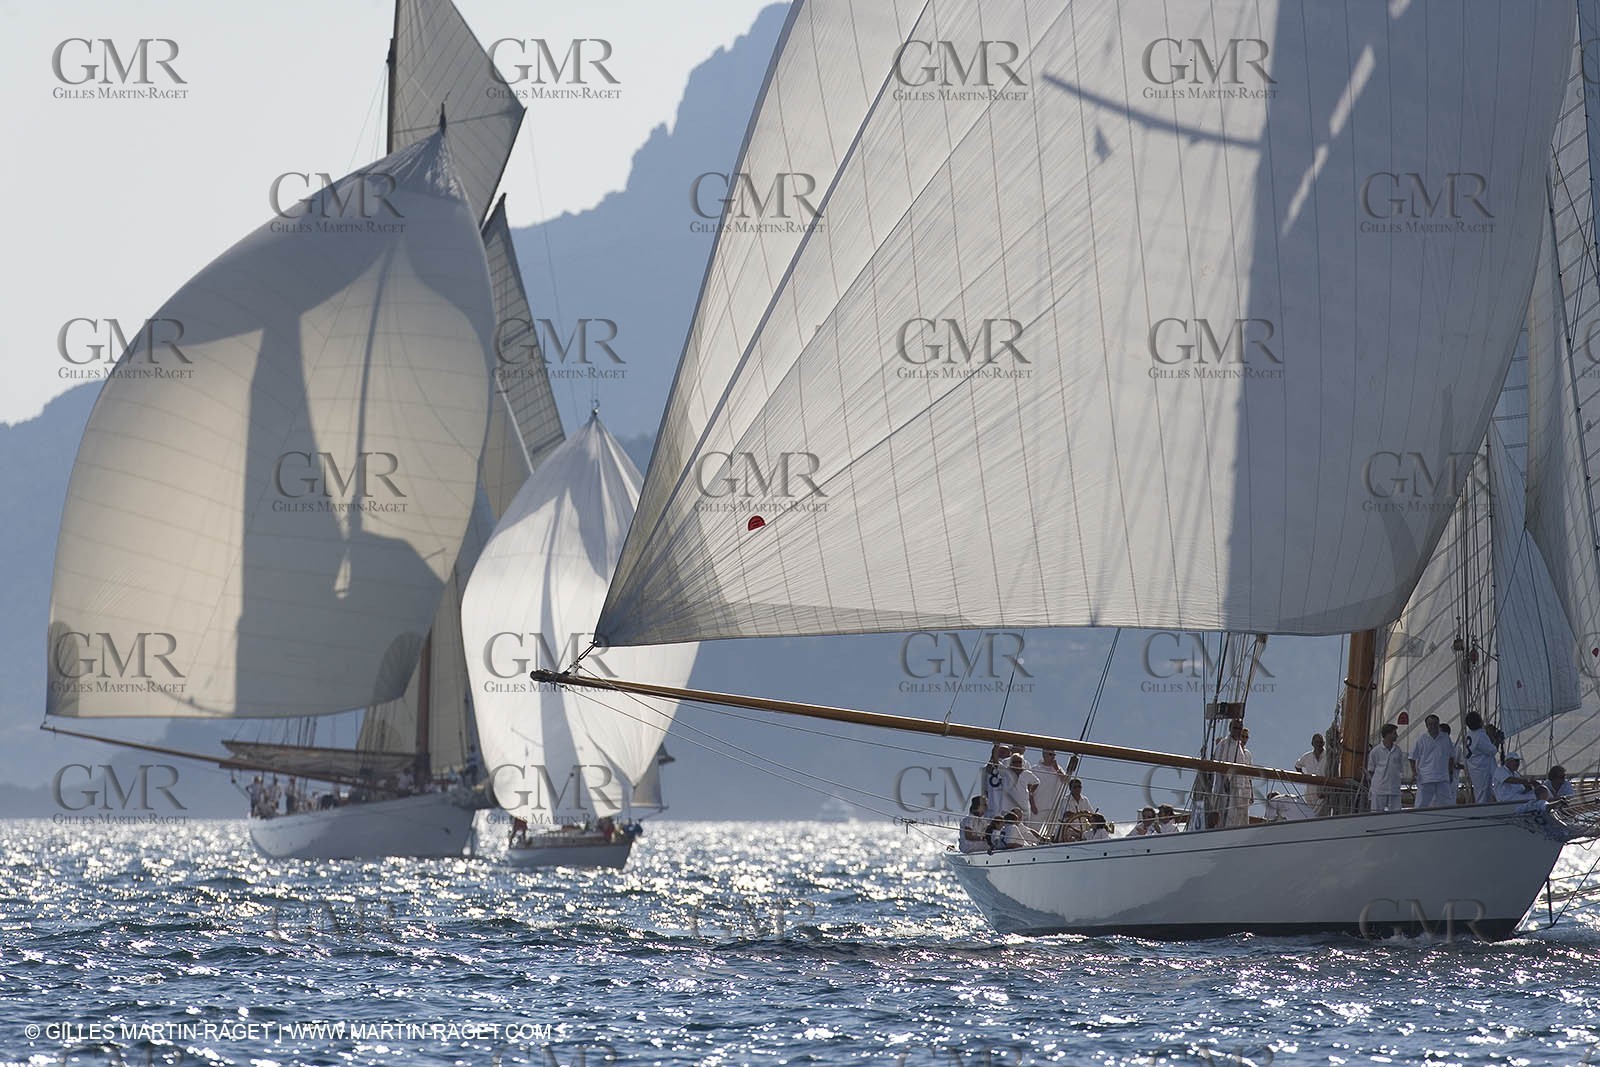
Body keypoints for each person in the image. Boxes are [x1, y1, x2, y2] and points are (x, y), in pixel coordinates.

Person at [1409, 714, 1455, 807]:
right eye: (1430, 724)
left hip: (1442, 777)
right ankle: (1419, 820)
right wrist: (1414, 772)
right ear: (1426, 725)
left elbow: (1451, 756)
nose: (1433, 726)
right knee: (1421, 804)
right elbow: (1412, 757)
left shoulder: (1446, 738)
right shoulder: (1421, 739)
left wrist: (1450, 772)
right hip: (1426, 777)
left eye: (1435, 724)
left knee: (1447, 803)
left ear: (1438, 724)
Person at [1460, 711, 1497, 804]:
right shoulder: (1480, 736)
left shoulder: (1470, 734)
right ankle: (1482, 813)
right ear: (1480, 722)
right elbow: (1492, 750)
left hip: (1474, 767)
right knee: (1483, 794)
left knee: (1480, 792)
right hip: (1482, 769)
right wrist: (1493, 737)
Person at [1367, 723, 1405, 812]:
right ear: (1388, 735)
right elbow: (1371, 770)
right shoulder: (1375, 751)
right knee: (1376, 813)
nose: (1397, 735)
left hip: (1394, 788)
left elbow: (1400, 768)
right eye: (1394, 733)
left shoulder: (1398, 750)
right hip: (1379, 789)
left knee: (1396, 814)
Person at [1033, 750, 1070, 836]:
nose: (1053, 757)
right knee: (1034, 831)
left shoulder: (1058, 769)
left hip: (1054, 806)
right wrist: (1032, 804)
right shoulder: (1035, 768)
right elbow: (1030, 787)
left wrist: (1056, 768)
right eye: (1050, 754)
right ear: (1044, 755)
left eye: (1054, 755)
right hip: (1038, 806)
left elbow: (1066, 781)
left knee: (1052, 833)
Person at [1295, 733, 1331, 815]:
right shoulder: (1307, 756)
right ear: (1312, 743)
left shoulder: (1329, 756)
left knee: (1322, 814)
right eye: (1316, 742)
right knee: (1310, 813)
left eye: (1320, 742)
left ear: (1324, 743)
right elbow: (1297, 765)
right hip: (1310, 790)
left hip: (1324, 788)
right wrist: (1303, 776)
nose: (1318, 744)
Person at [1002, 752, 1040, 827]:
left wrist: (1030, 792)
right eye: (1014, 762)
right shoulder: (1006, 772)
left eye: (1019, 762)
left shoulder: (1026, 773)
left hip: (1024, 806)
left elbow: (1036, 782)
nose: (1017, 764)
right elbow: (995, 762)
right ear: (1011, 763)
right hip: (1008, 806)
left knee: (1024, 828)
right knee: (1007, 827)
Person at [982, 745, 1009, 823]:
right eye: (1001, 751)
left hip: (1004, 801)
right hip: (992, 800)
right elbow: (989, 768)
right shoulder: (989, 766)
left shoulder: (1008, 765)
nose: (1003, 753)